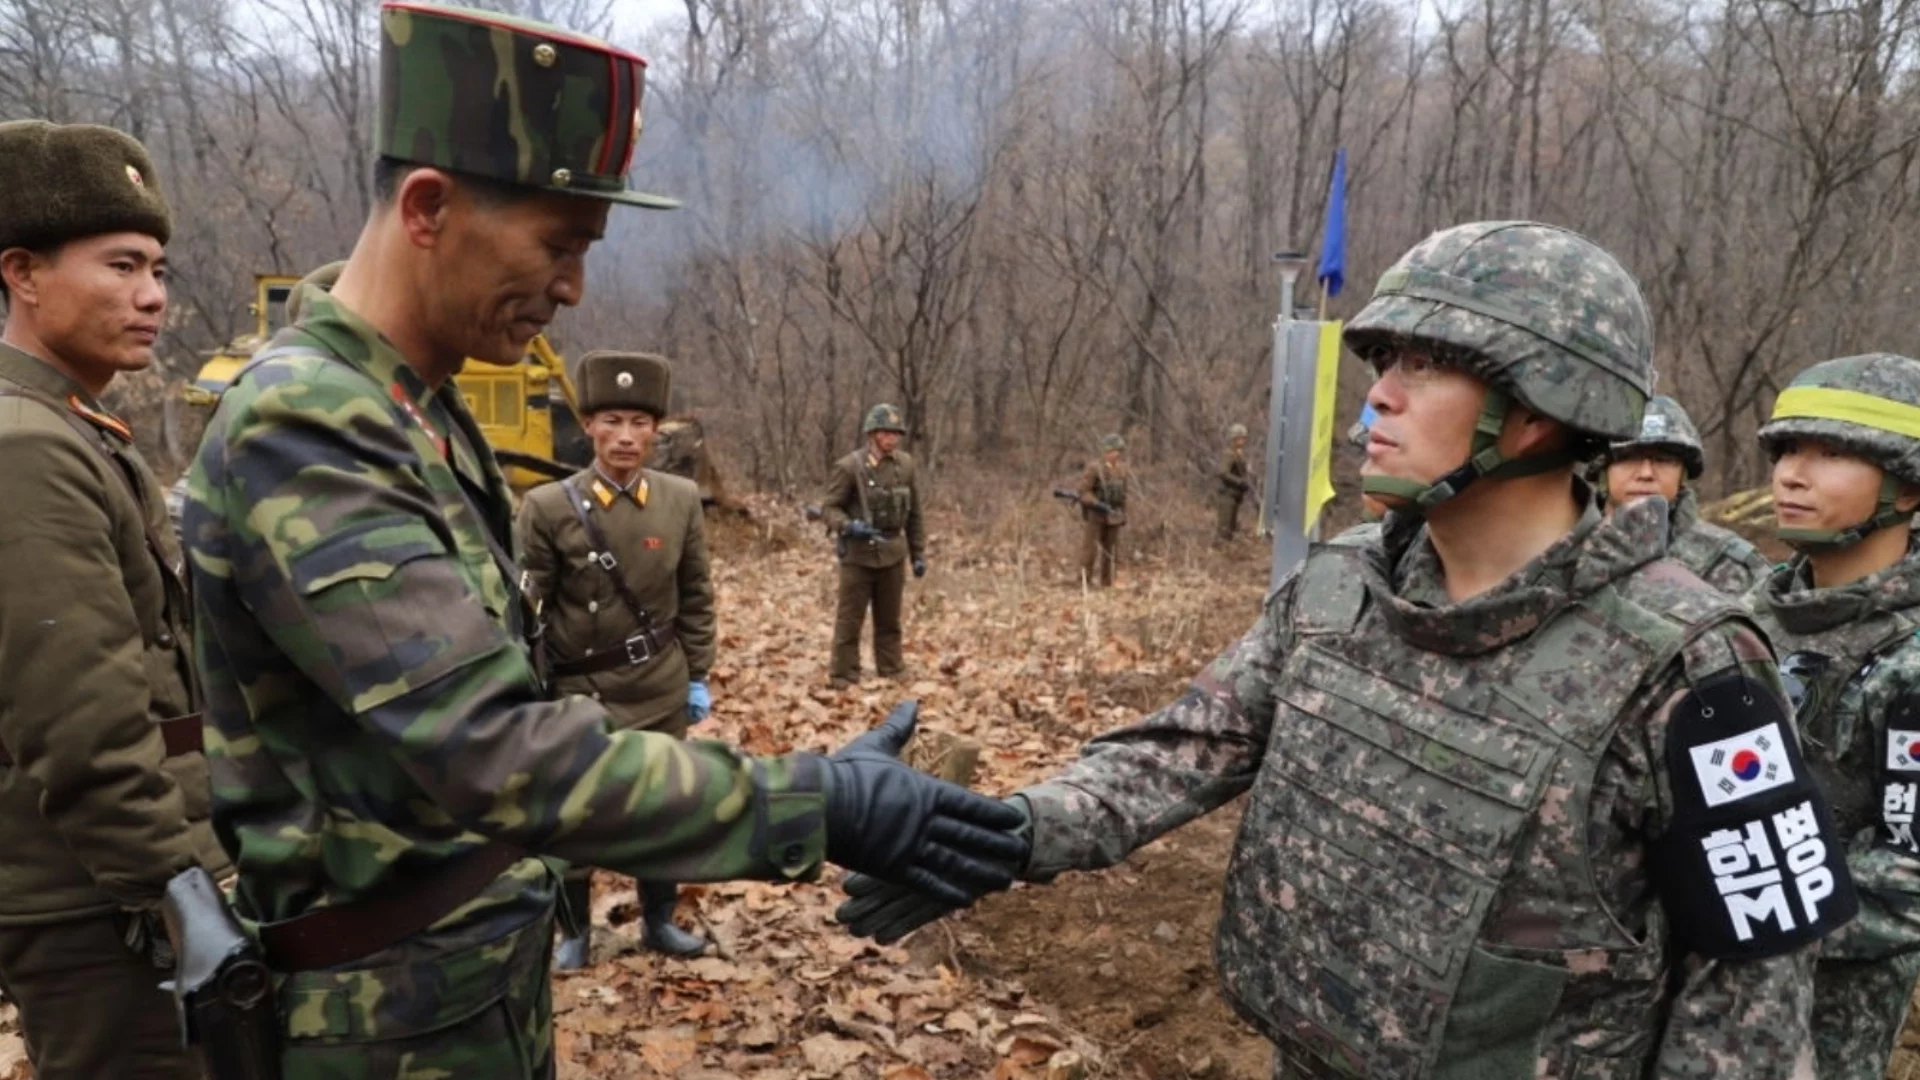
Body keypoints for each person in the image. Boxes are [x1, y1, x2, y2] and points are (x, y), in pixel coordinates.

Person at [182, 4, 1026, 1075]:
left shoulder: (414, 409)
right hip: (376, 1021)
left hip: (458, 987)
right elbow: (496, 752)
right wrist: (817, 802)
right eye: (559, 244)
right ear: (430, 208)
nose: (574, 287)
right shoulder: (306, 424)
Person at [840, 221, 1853, 1078]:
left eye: (1427, 366)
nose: (1379, 399)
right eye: (1382, 365)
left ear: (1545, 407)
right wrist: (1010, 834)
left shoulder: (1695, 671)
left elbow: (1751, 1000)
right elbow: (1183, 749)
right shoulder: (1345, 582)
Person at [0, 119, 229, 1079]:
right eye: (122, 266)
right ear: (22, 272)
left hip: (120, 888)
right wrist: (183, 897)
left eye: (161, 271)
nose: (152, 297)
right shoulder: (28, 447)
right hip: (102, 908)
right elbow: (85, 727)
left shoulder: (76, 427)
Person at [1743, 353, 1920, 1079]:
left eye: (1832, 453)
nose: (1791, 473)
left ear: (1908, 489)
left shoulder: (1908, 659)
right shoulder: (1740, 618)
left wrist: (1754, 910)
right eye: (1787, 449)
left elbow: (1910, 876)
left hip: (1826, 1015)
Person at [518, 351, 716, 965]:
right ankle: (574, 932)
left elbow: (696, 594)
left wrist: (699, 673)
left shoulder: (681, 499)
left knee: (662, 808)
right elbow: (526, 608)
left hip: (658, 683)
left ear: (656, 430)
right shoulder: (549, 507)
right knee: (574, 815)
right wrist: (527, 687)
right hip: (581, 690)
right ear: (589, 427)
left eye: (638, 423)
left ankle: (658, 923)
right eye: (611, 421)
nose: (626, 437)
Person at [1599, 393, 1770, 593]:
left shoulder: (1732, 566)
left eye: (1663, 460)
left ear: (1683, 475)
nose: (1646, 473)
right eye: (1628, 459)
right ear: (1601, 470)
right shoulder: (1563, 554)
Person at [820, 403, 925, 689]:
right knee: (850, 620)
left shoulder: (905, 465)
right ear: (872, 434)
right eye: (886, 432)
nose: (892, 438)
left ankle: (891, 669)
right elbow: (829, 507)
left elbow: (914, 513)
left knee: (890, 620)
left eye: (896, 433)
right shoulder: (849, 467)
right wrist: (847, 526)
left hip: (893, 551)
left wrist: (918, 554)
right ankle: (843, 675)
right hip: (859, 555)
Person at [1078, 434, 1128, 586]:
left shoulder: (1121, 470)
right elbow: (1083, 491)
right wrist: (1095, 502)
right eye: (1113, 450)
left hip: (1113, 514)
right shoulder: (1095, 468)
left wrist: (1123, 514)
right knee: (1090, 550)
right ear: (1106, 451)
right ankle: (1084, 581)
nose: (1116, 454)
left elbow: (1123, 494)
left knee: (1111, 551)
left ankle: (1107, 582)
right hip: (1096, 514)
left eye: (1119, 451)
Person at [1214, 423, 1252, 547]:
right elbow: (1223, 472)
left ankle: (1225, 553)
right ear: (1235, 439)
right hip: (1227, 495)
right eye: (1242, 438)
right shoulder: (1229, 454)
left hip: (1235, 495)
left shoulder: (1238, 454)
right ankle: (1218, 553)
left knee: (1231, 527)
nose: (1244, 440)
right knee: (1224, 528)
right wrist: (1239, 482)